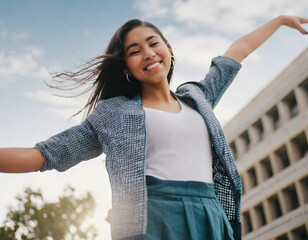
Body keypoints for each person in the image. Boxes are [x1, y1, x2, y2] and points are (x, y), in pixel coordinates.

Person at [0, 15, 307, 240]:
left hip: (210, 214)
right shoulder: (113, 113)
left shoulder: (198, 98)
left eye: (152, 43)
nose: (147, 53)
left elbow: (234, 54)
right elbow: (43, 155)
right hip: (153, 218)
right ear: (126, 67)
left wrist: (279, 21)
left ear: (168, 49)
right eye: (134, 51)